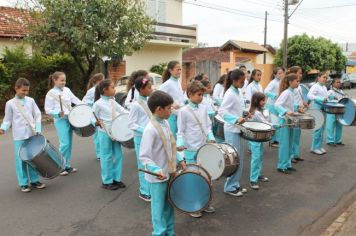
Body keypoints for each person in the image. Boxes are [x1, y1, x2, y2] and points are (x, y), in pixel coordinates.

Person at [139, 90, 186, 236]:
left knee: (169, 204)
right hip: (157, 177)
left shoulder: (165, 122)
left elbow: (170, 145)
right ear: (159, 109)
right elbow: (144, 157)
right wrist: (156, 169)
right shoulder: (150, 130)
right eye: (169, 108)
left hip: (169, 172)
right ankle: (159, 233)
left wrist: (179, 159)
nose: (171, 110)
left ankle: (169, 231)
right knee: (158, 208)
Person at [177, 81, 216, 218]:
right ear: (189, 94)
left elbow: (208, 126)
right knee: (193, 179)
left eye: (202, 95)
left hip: (203, 148)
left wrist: (211, 137)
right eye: (199, 95)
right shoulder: (183, 111)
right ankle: (193, 205)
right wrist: (180, 148)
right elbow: (180, 132)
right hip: (190, 149)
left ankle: (204, 203)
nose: (201, 97)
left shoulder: (204, 108)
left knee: (206, 177)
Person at [0, 78, 46, 193]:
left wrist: (38, 128)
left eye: (27, 91)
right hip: (19, 136)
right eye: (23, 90)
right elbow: (7, 119)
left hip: (32, 133)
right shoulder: (10, 103)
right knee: (20, 159)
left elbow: (38, 114)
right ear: (16, 88)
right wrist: (3, 128)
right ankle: (23, 183)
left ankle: (34, 180)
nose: (25, 93)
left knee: (33, 158)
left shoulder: (30, 100)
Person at [45, 71, 82, 176]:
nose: (63, 82)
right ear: (55, 80)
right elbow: (47, 109)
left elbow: (75, 100)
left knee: (69, 143)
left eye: (64, 80)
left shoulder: (67, 90)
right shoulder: (50, 93)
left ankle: (66, 165)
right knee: (64, 143)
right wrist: (57, 113)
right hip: (60, 120)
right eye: (61, 80)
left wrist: (85, 106)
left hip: (70, 118)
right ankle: (59, 166)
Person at [93, 79, 128, 190]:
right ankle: (107, 181)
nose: (115, 89)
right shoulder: (98, 104)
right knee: (106, 157)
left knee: (118, 155)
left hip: (115, 132)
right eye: (112, 87)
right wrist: (95, 121)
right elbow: (91, 116)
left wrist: (132, 115)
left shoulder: (113, 101)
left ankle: (116, 179)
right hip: (104, 132)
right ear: (105, 90)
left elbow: (123, 111)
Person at [219, 69, 249, 197]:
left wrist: (244, 113)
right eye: (242, 81)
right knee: (234, 159)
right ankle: (229, 186)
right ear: (235, 80)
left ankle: (235, 183)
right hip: (231, 129)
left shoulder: (237, 91)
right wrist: (236, 119)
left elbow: (237, 109)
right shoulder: (230, 93)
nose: (243, 83)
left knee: (239, 158)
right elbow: (222, 112)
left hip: (238, 128)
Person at [128, 76, 153, 201]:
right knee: (143, 165)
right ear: (141, 89)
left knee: (151, 164)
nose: (151, 89)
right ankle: (144, 191)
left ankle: (151, 189)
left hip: (150, 138)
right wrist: (146, 131)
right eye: (149, 87)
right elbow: (131, 124)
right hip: (140, 138)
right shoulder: (136, 105)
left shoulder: (150, 101)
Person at [275, 73, 301, 174]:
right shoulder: (286, 92)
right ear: (290, 82)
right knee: (284, 144)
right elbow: (277, 104)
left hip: (290, 120)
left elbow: (290, 104)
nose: (298, 82)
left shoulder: (292, 92)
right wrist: (285, 112)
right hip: (284, 120)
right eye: (297, 81)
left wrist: (298, 108)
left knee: (290, 143)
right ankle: (281, 166)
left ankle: (288, 164)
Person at [248, 92, 272, 190]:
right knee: (256, 158)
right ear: (256, 101)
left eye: (264, 100)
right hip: (255, 138)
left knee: (260, 156)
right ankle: (253, 180)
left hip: (259, 137)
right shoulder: (256, 112)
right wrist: (274, 125)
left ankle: (258, 174)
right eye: (262, 100)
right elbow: (265, 122)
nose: (264, 102)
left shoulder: (258, 110)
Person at [159, 61, 186, 139]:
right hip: (171, 116)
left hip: (180, 114)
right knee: (171, 138)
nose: (180, 72)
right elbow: (159, 97)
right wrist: (171, 104)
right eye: (178, 69)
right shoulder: (167, 84)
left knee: (179, 137)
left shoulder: (177, 82)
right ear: (170, 71)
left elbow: (179, 98)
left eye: (180, 70)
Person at [82, 73, 105, 160]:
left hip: (101, 114)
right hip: (94, 115)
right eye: (102, 79)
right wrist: (94, 104)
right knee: (96, 135)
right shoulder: (91, 91)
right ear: (97, 81)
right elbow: (84, 102)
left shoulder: (102, 89)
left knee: (102, 135)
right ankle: (99, 154)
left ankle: (103, 152)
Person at [307, 71, 329, 155]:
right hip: (317, 109)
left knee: (322, 129)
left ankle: (319, 146)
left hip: (323, 109)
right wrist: (320, 99)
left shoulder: (324, 87)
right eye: (324, 77)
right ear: (319, 78)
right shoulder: (315, 86)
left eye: (326, 78)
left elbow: (325, 97)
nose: (325, 79)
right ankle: (314, 147)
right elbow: (309, 95)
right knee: (318, 129)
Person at [289, 66, 306, 163]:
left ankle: (296, 154)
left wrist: (303, 103)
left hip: (299, 112)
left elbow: (299, 98)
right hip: (293, 113)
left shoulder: (298, 86)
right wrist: (297, 107)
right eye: (299, 73)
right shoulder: (292, 87)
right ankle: (290, 155)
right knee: (293, 135)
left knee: (297, 135)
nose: (301, 74)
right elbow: (291, 101)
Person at [264, 67, 285, 147]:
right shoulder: (273, 82)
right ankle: (272, 141)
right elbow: (265, 91)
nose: (280, 75)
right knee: (274, 123)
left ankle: (276, 140)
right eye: (279, 73)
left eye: (281, 73)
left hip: (278, 105)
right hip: (272, 105)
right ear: (275, 74)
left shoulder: (281, 82)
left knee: (278, 123)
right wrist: (274, 96)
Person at [326, 77, 345, 146]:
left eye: (339, 82)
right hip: (332, 110)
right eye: (337, 82)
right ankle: (330, 140)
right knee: (330, 126)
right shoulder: (330, 92)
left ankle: (338, 140)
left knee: (339, 125)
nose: (339, 83)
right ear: (333, 84)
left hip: (340, 110)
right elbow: (327, 101)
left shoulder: (342, 92)